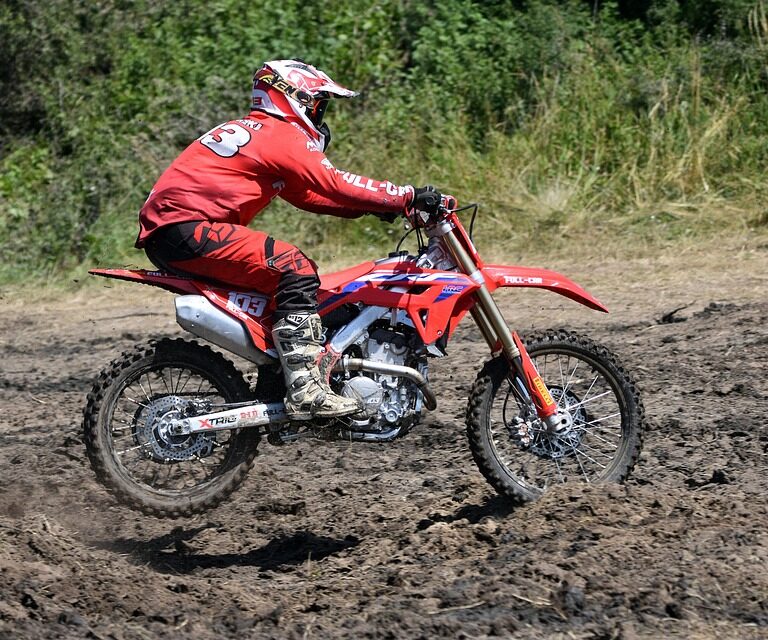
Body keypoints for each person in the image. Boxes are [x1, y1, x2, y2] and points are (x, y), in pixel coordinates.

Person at [135, 59, 447, 421]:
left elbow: (312, 197)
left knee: (279, 294)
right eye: (319, 104)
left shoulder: (259, 131)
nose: (320, 115)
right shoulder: (279, 132)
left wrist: (377, 208)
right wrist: (404, 195)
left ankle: (278, 382)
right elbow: (334, 183)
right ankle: (306, 390)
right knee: (294, 267)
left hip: (178, 230)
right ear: (293, 96)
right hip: (188, 228)